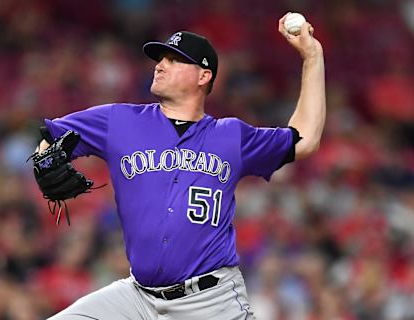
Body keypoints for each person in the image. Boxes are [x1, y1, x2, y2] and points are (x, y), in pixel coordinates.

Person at [36, 13, 325, 320]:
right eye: (161, 59)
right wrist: (43, 160)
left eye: (175, 60)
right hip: (137, 298)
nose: (160, 65)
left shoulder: (231, 136)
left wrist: (313, 57)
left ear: (204, 76)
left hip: (210, 301)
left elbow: (304, 140)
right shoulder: (118, 121)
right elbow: (50, 137)